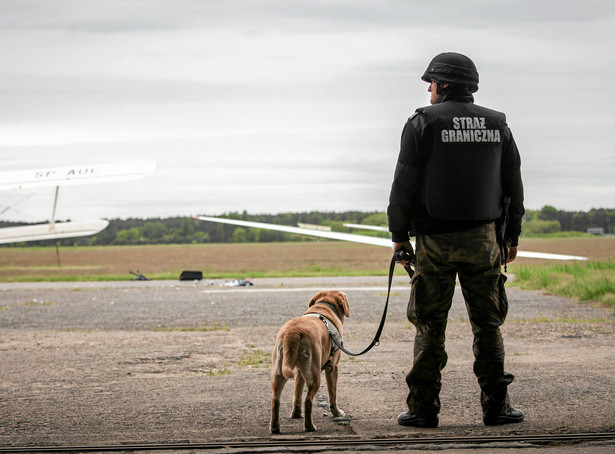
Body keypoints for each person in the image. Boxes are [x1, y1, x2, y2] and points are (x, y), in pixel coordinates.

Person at [387, 52, 525, 428]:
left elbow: (403, 185)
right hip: (485, 240)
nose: (428, 88)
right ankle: (497, 409)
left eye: (431, 82)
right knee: (488, 325)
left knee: (430, 326)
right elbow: (513, 184)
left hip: (435, 241)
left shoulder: (422, 123)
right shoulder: (499, 124)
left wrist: (399, 236)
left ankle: (422, 409)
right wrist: (510, 236)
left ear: (444, 84)